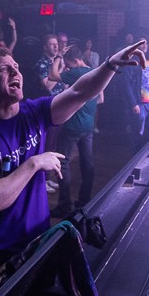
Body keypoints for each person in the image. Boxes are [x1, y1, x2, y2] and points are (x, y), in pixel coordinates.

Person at [0, 39, 146, 285]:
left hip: (38, 244)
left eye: (16, 66)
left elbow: (79, 91)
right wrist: (34, 163)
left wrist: (109, 65)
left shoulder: (34, 112)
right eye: (5, 69)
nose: (16, 72)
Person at [51, 46, 102, 218]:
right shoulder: (94, 71)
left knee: (63, 163)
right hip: (88, 125)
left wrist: (58, 56)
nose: (68, 67)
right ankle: (85, 201)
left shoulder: (77, 72)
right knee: (87, 163)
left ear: (74, 61)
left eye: (68, 64)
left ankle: (65, 205)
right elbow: (100, 99)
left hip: (73, 125)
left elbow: (52, 76)